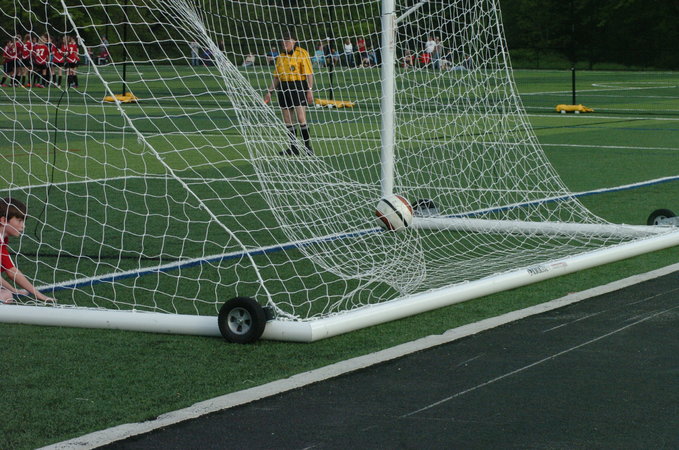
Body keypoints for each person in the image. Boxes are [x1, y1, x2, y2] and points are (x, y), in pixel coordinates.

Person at [263, 34, 314, 156]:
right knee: (287, 120)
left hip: (298, 86)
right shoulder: (280, 57)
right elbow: (277, 78)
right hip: (284, 88)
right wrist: (270, 92)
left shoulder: (302, 53)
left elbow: (309, 74)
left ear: (294, 41)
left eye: (287, 41)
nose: (284, 43)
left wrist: (309, 90)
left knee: (301, 118)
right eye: (283, 41)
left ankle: (307, 147)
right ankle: (293, 148)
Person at [0, 198, 55, 304]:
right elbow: (12, 271)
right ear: (3, 220)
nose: (23, 226)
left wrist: (13, 290)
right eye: (19, 221)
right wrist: (40, 295)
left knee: (7, 294)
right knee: (6, 296)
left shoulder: (3, 239)